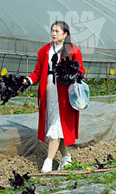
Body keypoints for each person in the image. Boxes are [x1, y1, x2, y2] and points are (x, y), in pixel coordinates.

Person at [23, 21, 85, 173]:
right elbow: (37, 72)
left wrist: (73, 74)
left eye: (57, 31)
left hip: (64, 97)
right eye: (52, 30)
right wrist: (27, 80)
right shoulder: (45, 51)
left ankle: (48, 161)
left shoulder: (73, 50)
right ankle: (66, 158)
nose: (54, 33)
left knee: (56, 127)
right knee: (58, 128)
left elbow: (81, 70)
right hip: (49, 94)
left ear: (65, 34)